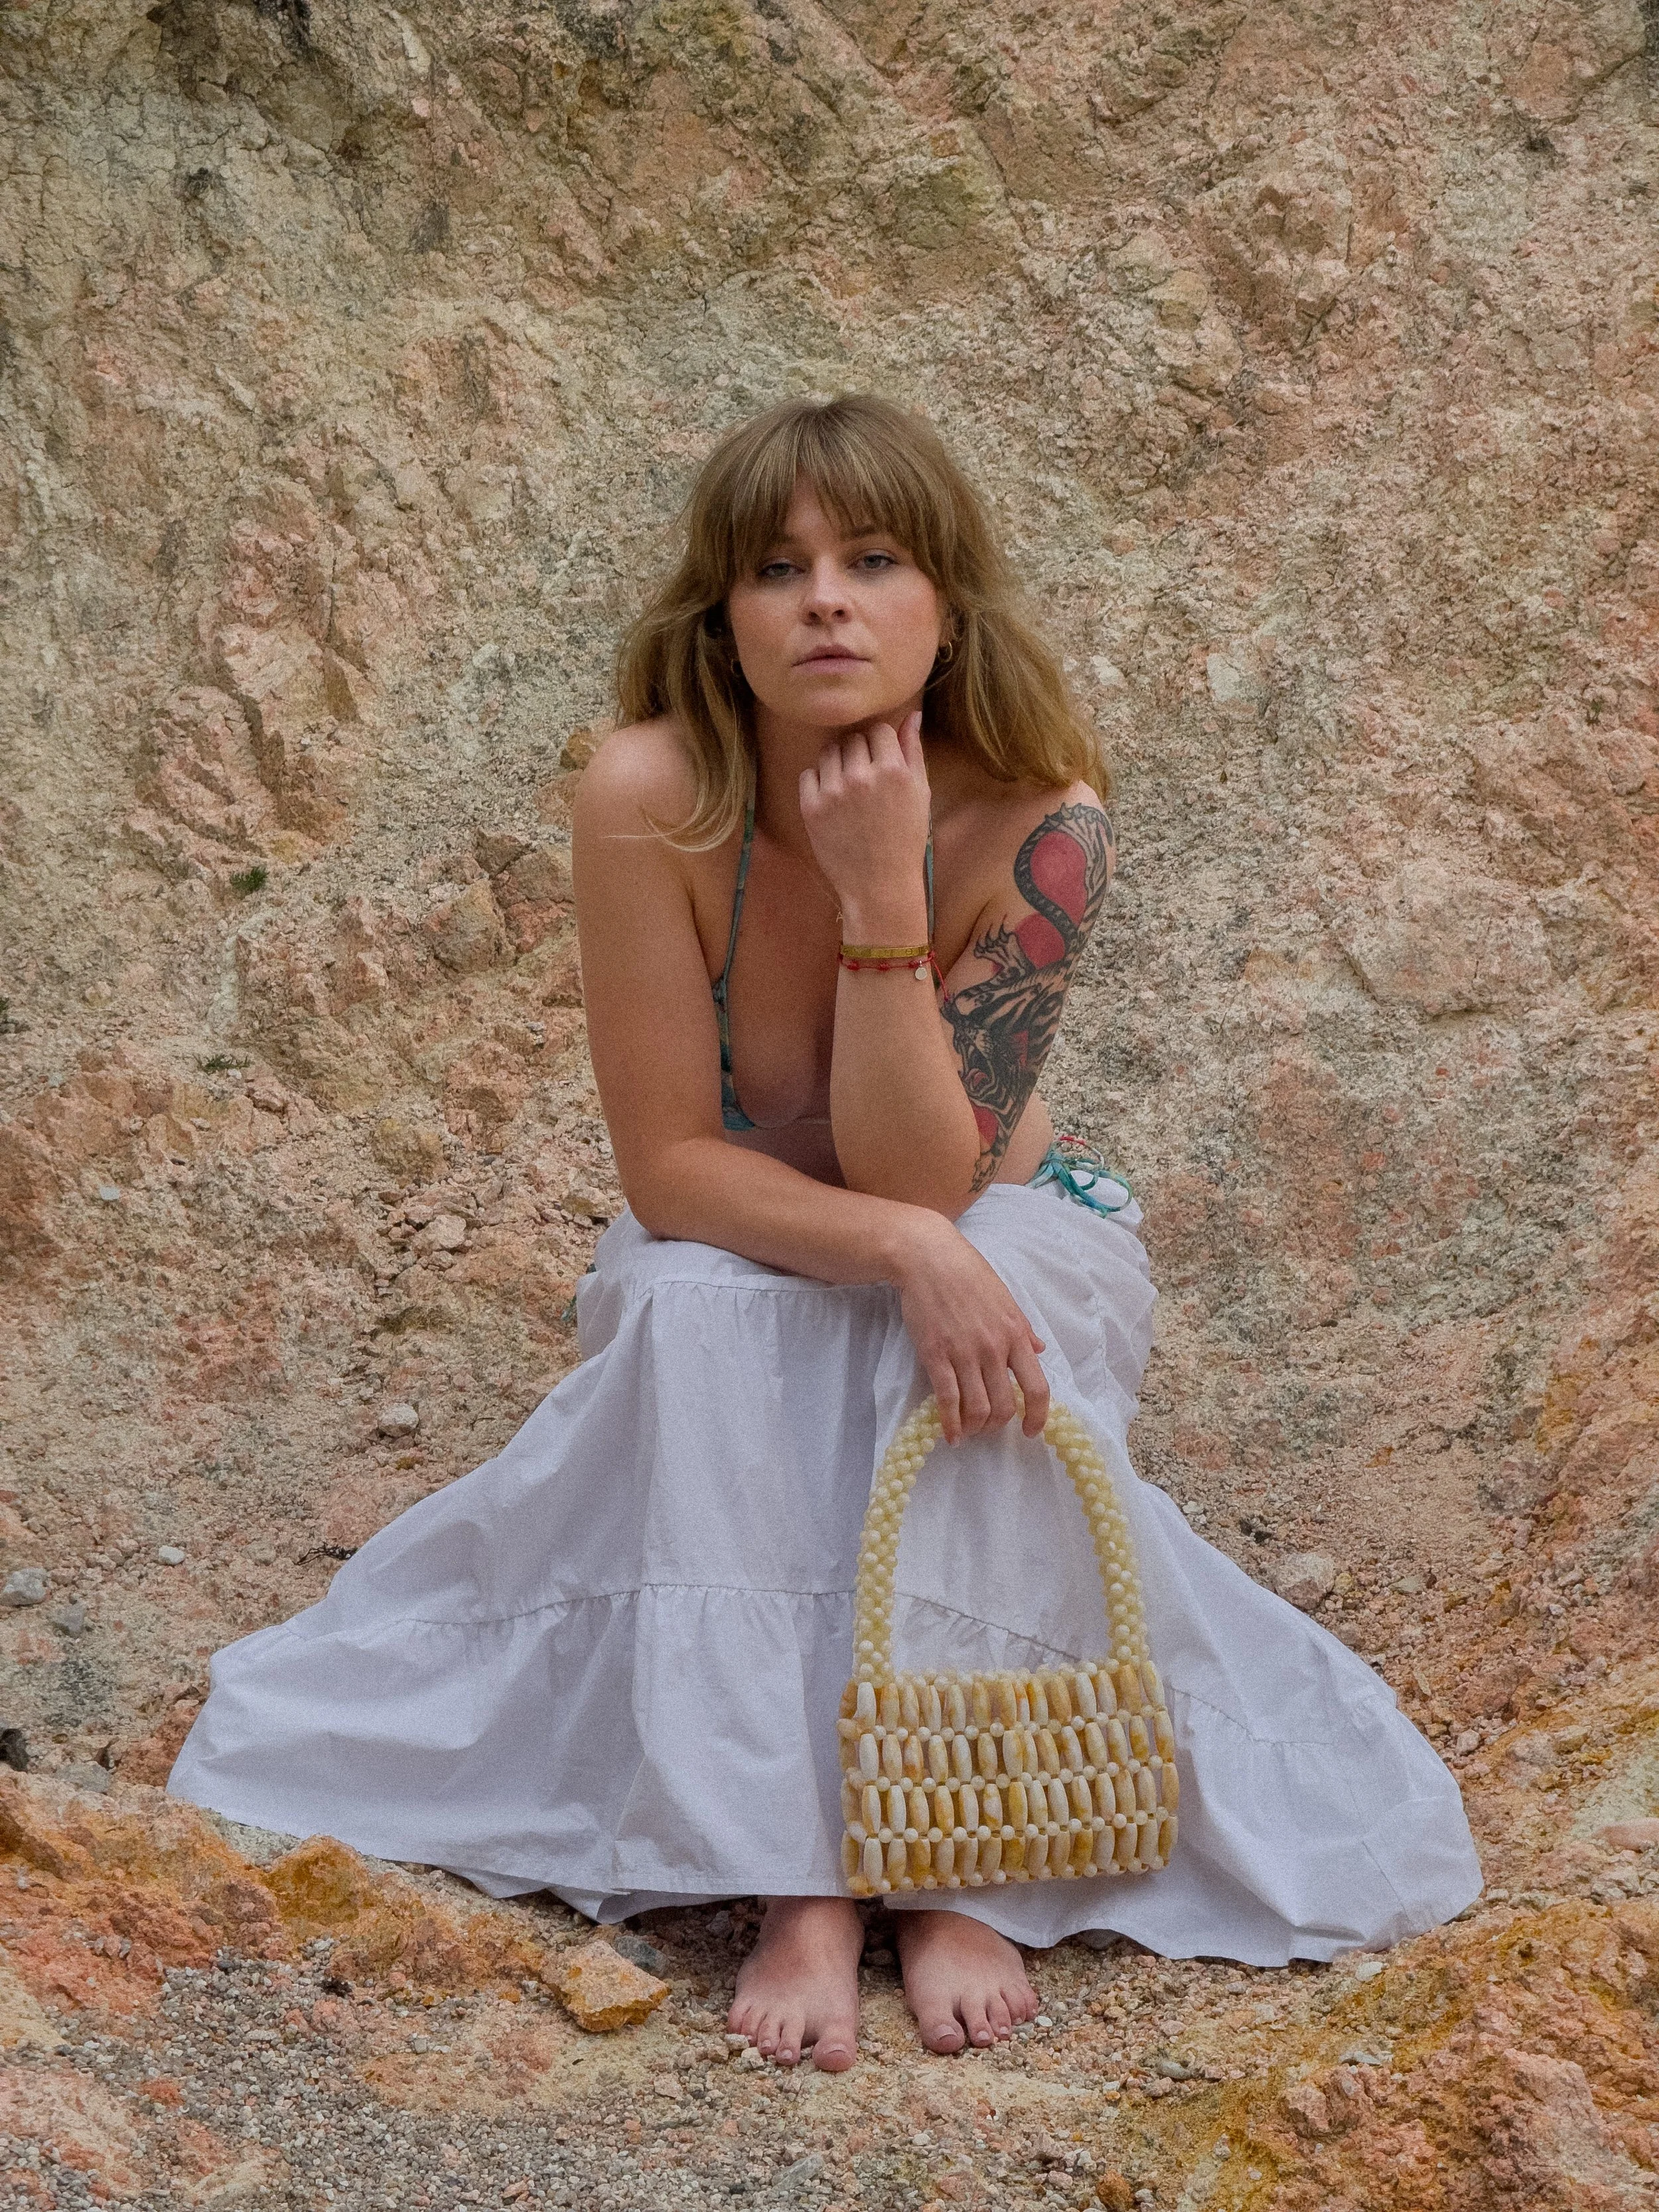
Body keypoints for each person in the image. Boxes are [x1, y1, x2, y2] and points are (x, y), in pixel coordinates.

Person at [169, 395, 1481, 2073]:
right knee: (701, 1315)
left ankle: (961, 1867)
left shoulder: (1039, 820)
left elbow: (926, 1177)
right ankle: (793, 1864)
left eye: (872, 560)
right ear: (721, 618)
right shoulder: (649, 791)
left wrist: (880, 900)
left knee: (959, 1320)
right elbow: (670, 1173)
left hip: (1000, 1206)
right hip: (758, 1224)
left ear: (947, 604)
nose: (827, 603)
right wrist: (910, 1256)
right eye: (776, 570)